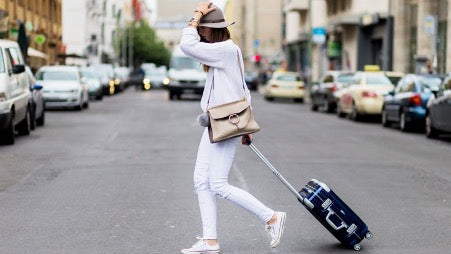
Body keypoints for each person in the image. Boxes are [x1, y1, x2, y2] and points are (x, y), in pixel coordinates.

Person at [179, 2, 286, 253]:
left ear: (215, 30)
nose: (200, 32)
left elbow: (186, 45)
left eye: (204, 28)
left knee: (217, 183)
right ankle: (210, 240)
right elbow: (242, 88)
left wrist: (195, 16)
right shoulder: (225, 51)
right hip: (217, 123)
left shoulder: (225, 49)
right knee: (200, 181)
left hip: (224, 123)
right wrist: (247, 124)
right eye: (200, 28)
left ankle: (271, 217)